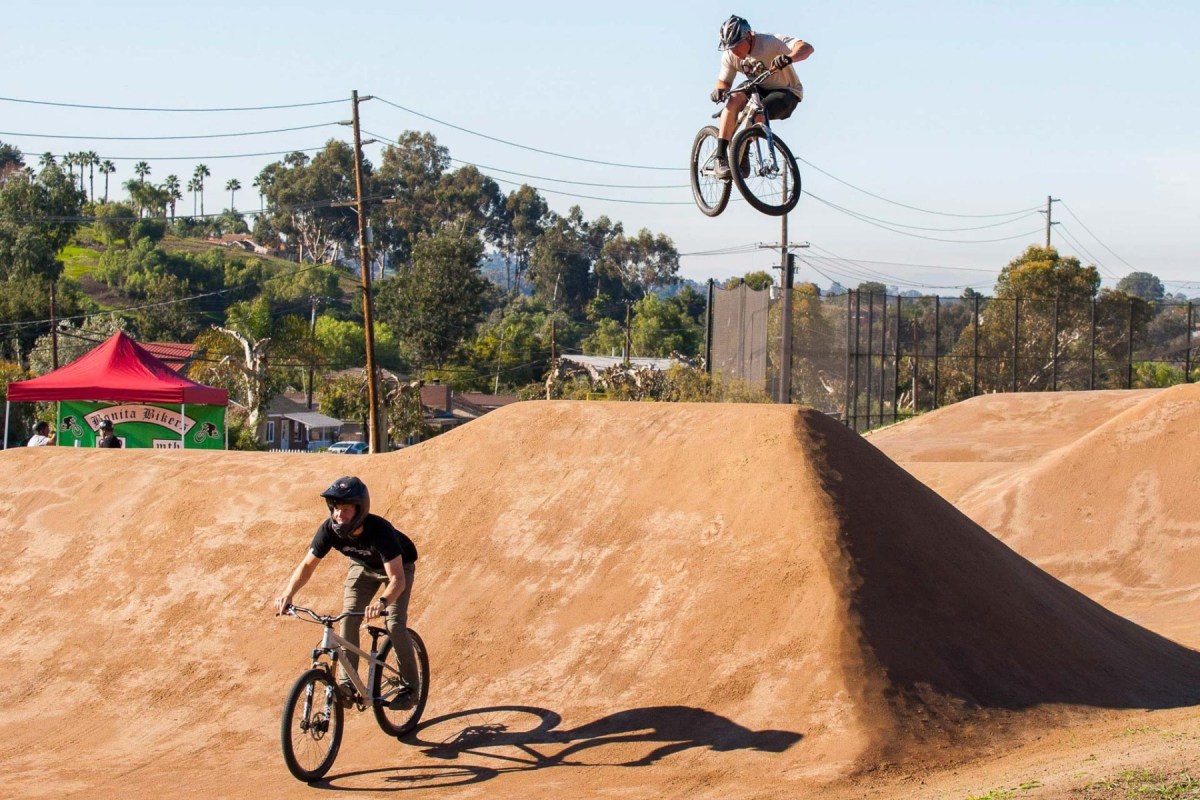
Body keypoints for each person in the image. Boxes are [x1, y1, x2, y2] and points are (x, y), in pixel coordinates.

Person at [273, 476, 420, 709]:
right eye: (336, 509)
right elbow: (307, 565)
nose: (340, 515)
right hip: (362, 566)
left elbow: (397, 580)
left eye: (346, 509)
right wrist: (288, 594)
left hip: (397, 569)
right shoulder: (328, 529)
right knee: (349, 617)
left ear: (360, 510)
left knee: (394, 625)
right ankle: (348, 685)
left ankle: (410, 688)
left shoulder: (380, 531)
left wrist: (382, 602)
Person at [710, 15, 814, 180]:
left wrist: (789, 58)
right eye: (729, 47)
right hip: (758, 88)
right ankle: (721, 157)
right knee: (734, 98)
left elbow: (807, 48)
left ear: (748, 36)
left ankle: (742, 149)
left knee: (759, 113)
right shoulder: (730, 55)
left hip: (786, 92)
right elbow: (724, 82)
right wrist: (720, 90)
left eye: (737, 45)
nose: (734, 51)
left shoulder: (770, 42)